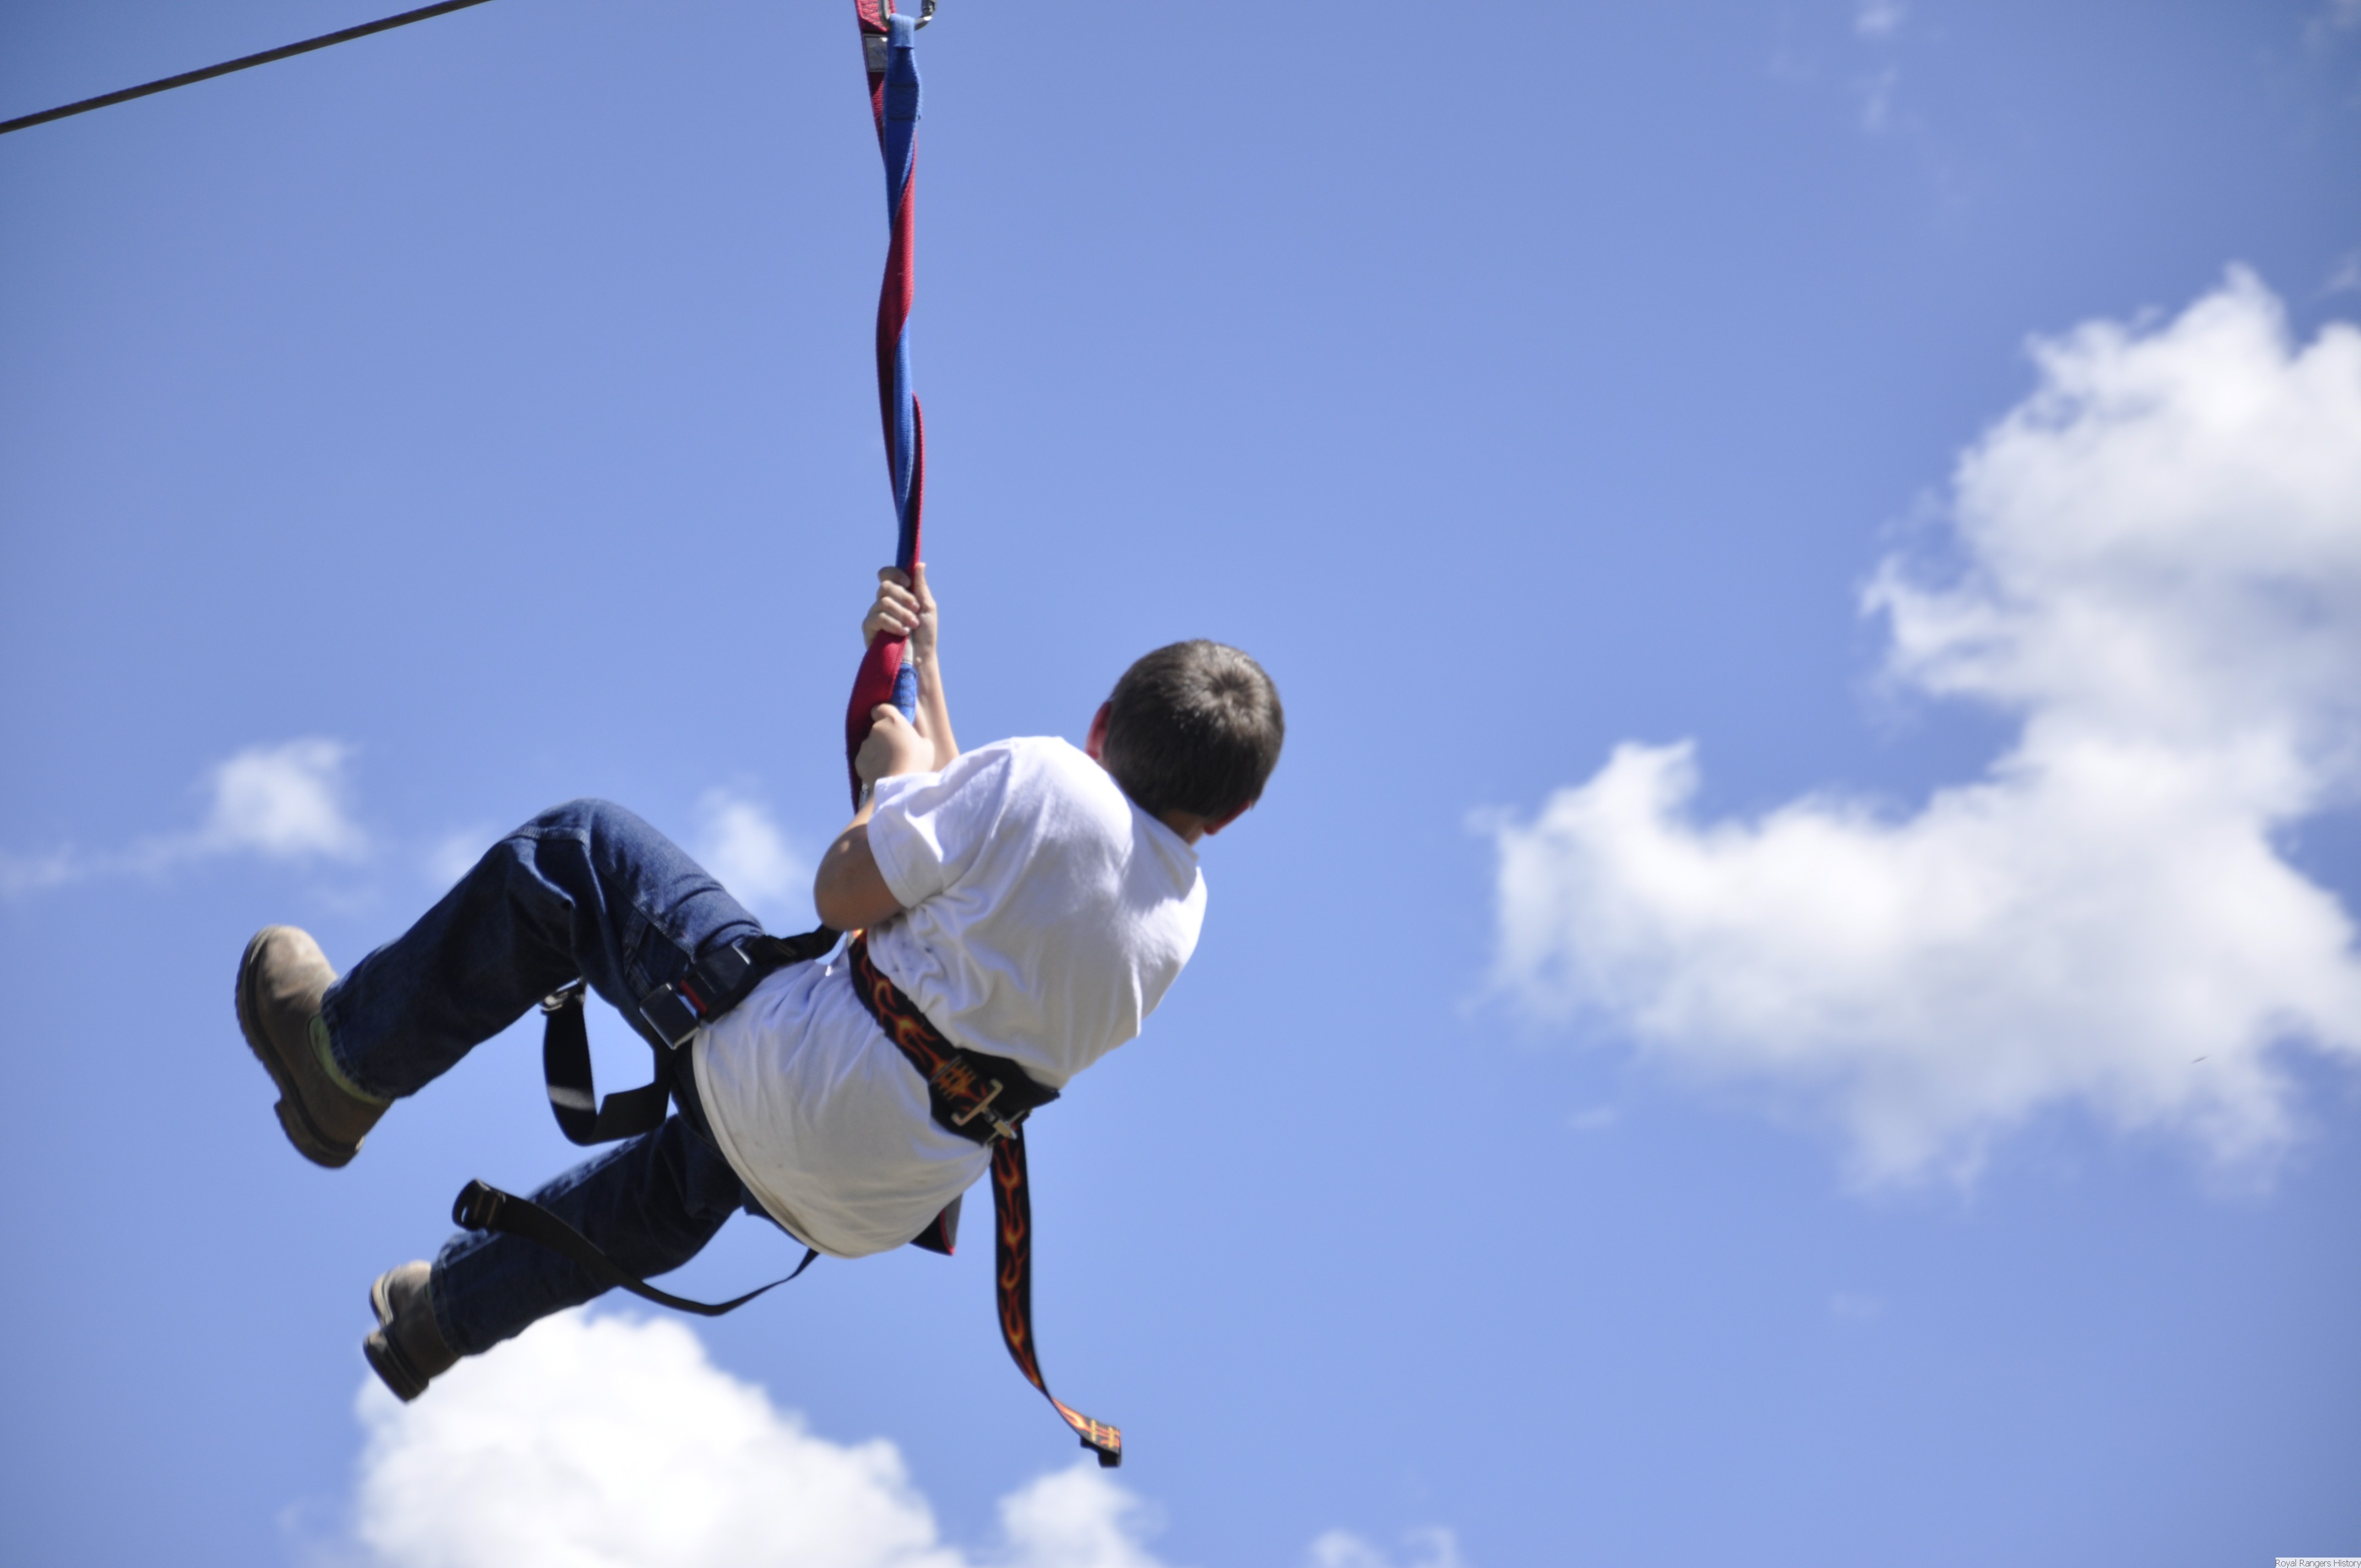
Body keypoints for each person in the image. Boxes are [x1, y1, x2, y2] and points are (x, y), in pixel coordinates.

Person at [232, 564, 1283, 1401]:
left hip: (800, 1079)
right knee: (686, 1179)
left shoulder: (1050, 775)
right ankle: (441, 1319)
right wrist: (924, 666)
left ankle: (345, 1063)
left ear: (1102, 721)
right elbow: (986, 858)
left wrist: (890, 782)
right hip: (870, 1194)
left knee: (575, 853)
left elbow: (847, 893)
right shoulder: (1179, 918)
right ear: (1228, 819)